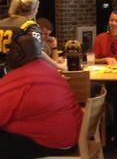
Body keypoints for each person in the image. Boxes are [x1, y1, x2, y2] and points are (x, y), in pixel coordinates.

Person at [0, 8, 83, 158]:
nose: (6, 56)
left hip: (51, 144)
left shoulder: (19, 78)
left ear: (19, 54)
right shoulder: (50, 71)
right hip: (71, 138)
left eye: (9, 52)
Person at [0, 0, 64, 74]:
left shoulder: (1, 23)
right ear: (34, 10)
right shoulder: (29, 26)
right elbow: (37, 52)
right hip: (18, 74)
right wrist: (58, 66)